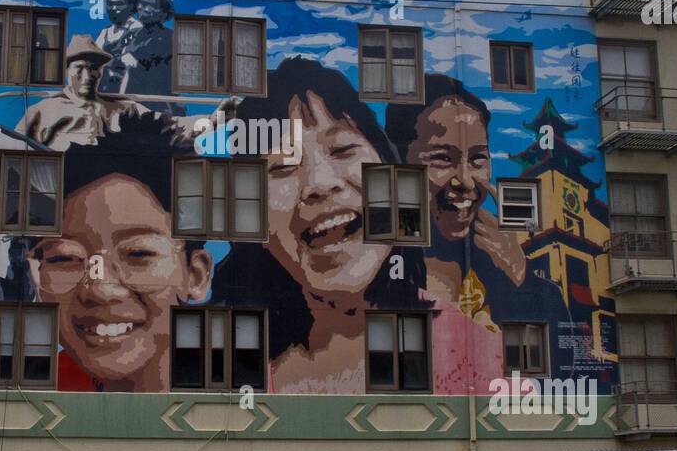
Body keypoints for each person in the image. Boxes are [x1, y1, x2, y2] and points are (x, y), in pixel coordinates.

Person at [211, 57, 424, 393]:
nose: (319, 184)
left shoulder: (462, 339)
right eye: (281, 167)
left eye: (342, 149)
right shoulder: (223, 356)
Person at [386, 74, 575, 391]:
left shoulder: (505, 264)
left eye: (477, 160)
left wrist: (521, 280)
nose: (466, 181)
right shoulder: (374, 263)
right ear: (399, 164)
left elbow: (562, 376)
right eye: (442, 159)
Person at [29, 127, 213, 391]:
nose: (100, 288)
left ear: (195, 276)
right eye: (65, 258)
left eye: (139, 254)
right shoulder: (37, 392)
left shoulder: (243, 397)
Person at [15, 34, 218, 150]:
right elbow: (13, 153)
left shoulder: (122, 109)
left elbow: (172, 127)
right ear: (68, 70)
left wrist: (214, 120)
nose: (88, 75)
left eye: (94, 67)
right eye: (80, 68)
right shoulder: (43, 112)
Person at [117, 0, 174, 95]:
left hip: (157, 99)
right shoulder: (130, 34)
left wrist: (132, 60)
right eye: (142, 3)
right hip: (129, 99)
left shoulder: (170, 36)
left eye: (151, 5)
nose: (144, 9)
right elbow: (115, 60)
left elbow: (154, 63)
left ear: (163, 13)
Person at [96, 0, 139, 92]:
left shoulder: (137, 29)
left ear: (130, 6)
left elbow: (130, 63)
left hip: (125, 90)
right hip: (103, 89)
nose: (113, 8)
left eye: (119, 4)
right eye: (110, 4)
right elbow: (94, 58)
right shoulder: (105, 32)